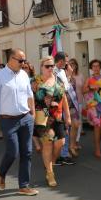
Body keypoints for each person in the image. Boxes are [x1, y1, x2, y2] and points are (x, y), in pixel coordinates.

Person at [0, 49, 38, 196]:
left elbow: (29, 95)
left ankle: (24, 185)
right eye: (20, 61)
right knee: (12, 152)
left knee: (27, 152)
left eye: (24, 61)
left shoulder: (23, 75)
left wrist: (32, 114)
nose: (23, 64)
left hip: (25, 118)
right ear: (11, 59)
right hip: (8, 120)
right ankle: (1, 172)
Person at [32, 56, 71, 187]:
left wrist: (68, 116)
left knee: (61, 142)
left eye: (52, 66)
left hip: (57, 116)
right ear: (41, 67)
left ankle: (51, 162)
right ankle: (50, 173)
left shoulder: (58, 79)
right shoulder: (35, 81)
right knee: (48, 143)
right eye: (47, 66)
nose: (50, 68)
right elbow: (29, 99)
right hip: (42, 117)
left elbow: (64, 98)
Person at [53, 52, 76, 166]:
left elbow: (67, 86)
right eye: (66, 62)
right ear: (61, 61)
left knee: (66, 128)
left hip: (66, 103)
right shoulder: (53, 71)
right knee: (60, 130)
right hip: (57, 105)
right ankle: (59, 155)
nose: (67, 64)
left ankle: (63, 154)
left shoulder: (62, 71)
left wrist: (69, 75)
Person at [65, 60, 81, 157]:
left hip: (72, 105)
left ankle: (72, 145)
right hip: (63, 107)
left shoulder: (73, 79)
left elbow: (74, 93)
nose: (72, 67)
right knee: (66, 128)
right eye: (70, 66)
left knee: (75, 124)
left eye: (72, 66)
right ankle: (65, 149)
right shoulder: (61, 78)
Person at [69, 58, 85, 150]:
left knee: (78, 123)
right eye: (70, 64)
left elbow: (83, 90)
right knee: (71, 123)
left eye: (73, 64)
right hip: (70, 103)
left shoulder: (80, 76)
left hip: (79, 102)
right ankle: (71, 142)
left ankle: (76, 142)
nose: (72, 66)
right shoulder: (67, 76)